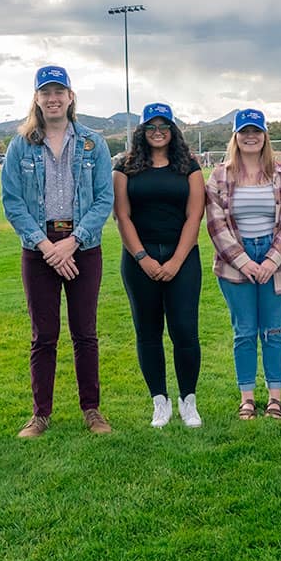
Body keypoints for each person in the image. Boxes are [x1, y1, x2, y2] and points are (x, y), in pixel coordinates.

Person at [2, 65, 114, 437]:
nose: (53, 98)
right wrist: (48, 246)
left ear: (70, 97)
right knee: (43, 335)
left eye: (59, 92)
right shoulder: (21, 144)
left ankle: (92, 410)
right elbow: (13, 203)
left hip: (83, 246)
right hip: (40, 249)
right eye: (45, 92)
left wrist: (73, 241)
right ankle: (40, 414)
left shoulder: (92, 143)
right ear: (36, 98)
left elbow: (103, 199)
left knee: (85, 333)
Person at [206, 108, 281, 420]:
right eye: (244, 131)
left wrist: (270, 261)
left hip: (277, 260)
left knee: (274, 331)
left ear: (265, 136)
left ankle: (275, 398)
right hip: (235, 261)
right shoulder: (220, 175)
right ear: (235, 136)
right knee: (244, 331)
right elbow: (216, 224)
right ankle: (247, 397)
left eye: (256, 131)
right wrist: (245, 261)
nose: (251, 136)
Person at [113, 103, 206, 428]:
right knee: (148, 332)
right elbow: (122, 216)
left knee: (184, 331)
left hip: (183, 257)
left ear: (172, 130)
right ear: (141, 130)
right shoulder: (125, 167)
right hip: (140, 259)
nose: (157, 132)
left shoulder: (189, 166)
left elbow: (195, 215)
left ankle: (188, 401)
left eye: (163, 126)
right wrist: (144, 259)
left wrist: (177, 260)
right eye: (150, 126)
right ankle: (160, 401)